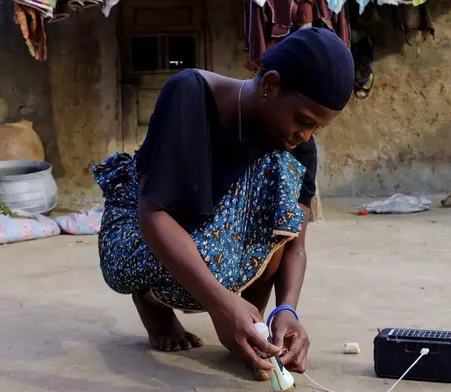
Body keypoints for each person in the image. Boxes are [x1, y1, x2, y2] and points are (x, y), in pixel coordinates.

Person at [92, 27, 354, 380]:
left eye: (316, 128)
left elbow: (294, 242)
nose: (304, 135)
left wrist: (286, 311)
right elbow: (152, 214)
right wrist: (220, 303)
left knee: (280, 183)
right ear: (270, 85)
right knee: (212, 267)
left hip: (209, 237)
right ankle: (153, 302)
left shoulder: (296, 146)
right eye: (303, 120)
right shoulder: (189, 93)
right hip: (137, 233)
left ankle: (253, 324)